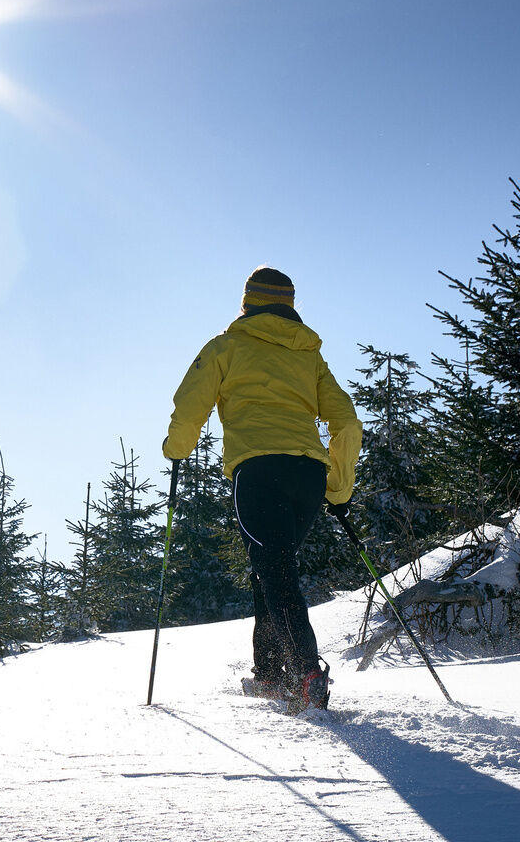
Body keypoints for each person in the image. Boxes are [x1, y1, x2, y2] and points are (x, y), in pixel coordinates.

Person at [162, 266, 362, 710]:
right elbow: (346, 420)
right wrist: (339, 488)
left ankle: (306, 672)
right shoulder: (309, 356)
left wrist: (177, 450)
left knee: (274, 568)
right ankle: (271, 674)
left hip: (257, 468)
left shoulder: (226, 347)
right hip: (308, 475)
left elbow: (190, 404)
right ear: (290, 305)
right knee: (271, 565)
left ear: (247, 303)